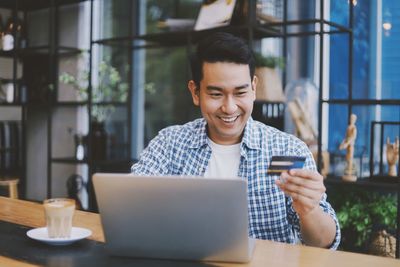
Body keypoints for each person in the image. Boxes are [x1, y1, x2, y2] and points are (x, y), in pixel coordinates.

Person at [131, 32, 340, 249]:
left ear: (253, 88)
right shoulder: (170, 144)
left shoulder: (286, 149)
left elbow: (325, 244)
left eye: (240, 92)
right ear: (195, 92)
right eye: (216, 94)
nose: (229, 108)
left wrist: (310, 210)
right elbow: (131, 204)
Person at [339, 114, 357, 181]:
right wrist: (343, 143)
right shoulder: (348, 127)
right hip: (347, 146)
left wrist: (347, 143)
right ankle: (348, 172)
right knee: (347, 158)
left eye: (353, 119)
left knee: (350, 159)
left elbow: (353, 137)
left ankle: (350, 172)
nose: (351, 120)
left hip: (351, 145)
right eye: (351, 118)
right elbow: (346, 137)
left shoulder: (354, 128)